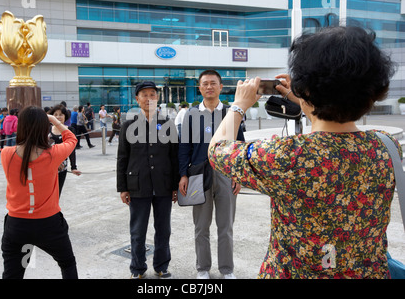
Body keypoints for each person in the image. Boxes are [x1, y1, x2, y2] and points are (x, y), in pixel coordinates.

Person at [208, 26, 398, 279]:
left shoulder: (287, 156)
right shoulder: (385, 146)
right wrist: (304, 98)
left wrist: (239, 105)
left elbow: (218, 149)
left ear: (306, 87)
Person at [178, 70, 245, 279]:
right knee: (201, 226)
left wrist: (238, 175)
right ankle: (203, 269)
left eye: (213, 83)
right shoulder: (190, 114)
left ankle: (227, 269)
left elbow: (239, 146)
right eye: (205, 83)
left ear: (220, 87)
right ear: (199, 88)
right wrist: (183, 175)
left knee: (226, 227)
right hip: (198, 175)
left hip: (225, 174)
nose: (209, 87)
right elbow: (183, 148)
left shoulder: (231, 113)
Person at [0, 106, 78, 279]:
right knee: (67, 263)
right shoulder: (53, 154)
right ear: (45, 128)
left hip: (17, 225)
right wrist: (55, 120)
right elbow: (71, 138)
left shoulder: (6, 154)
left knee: (14, 272)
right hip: (49, 224)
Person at [117, 81, 179, 279]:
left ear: (157, 98)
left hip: (163, 185)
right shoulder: (128, 125)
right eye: (144, 95)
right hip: (137, 186)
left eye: (153, 94)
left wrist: (176, 185)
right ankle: (137, 269)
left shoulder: (167, 124)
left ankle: (161, 266)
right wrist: (123, 188)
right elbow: (122, 158)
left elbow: (174, 157)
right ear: (137, 99)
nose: (149, 98)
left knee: (163, 230)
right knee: (137, 231)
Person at [48, 105, 82, 195]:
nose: (58, 117)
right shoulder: (47, 129)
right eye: (55, 114)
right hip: (47, 166)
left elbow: (71, 150)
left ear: (65, 116)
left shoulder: (69, 130)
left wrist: (73, 167)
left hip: (61, 168)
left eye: (61, 114)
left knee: (56, 194)